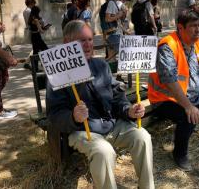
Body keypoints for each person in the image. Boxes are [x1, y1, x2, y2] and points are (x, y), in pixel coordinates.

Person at [46, 20, 154, 189]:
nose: (88, 45)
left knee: (143, 137)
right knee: (104, 151)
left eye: (90, 39)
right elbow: (54, 115)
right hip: (82, 130)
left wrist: (128, 110)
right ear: (67, 43)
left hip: (111, 123)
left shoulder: (100, 65)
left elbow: (117, 96)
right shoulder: (58, 76)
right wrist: (73, 117)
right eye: (82, 40)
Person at [148, 10, 199, 171]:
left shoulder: (198, 43)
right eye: (193, 26)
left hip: (193, 95)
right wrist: (188, 106)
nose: (198, 30)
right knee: (189, 116)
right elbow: (170, 80)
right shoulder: (168, 46)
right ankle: (180, 154)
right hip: (166, 100)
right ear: (180, 27)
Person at [105, 0, 126, 82]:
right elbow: (107, 19)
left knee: (112, 57)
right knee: (123, 55)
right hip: (114, 34)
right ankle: (117, 76)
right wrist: (119, 15)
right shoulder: (111, 3)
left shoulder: (111, 2)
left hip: (111, 34)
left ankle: (110, 78)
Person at [28, 5, 49, 72]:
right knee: (45, 50)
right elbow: (41, 31)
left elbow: (37, 27)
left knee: (36, 52)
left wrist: (42, 24)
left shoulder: (31, 18)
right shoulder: (36, 20)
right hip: (37, 36)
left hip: (33, 36)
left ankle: (36, 68)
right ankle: (44, 65)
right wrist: (46, 28)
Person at [22, 0, 36, 70]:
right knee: (35, 48)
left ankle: (27, 63)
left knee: (35, 47)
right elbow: (33, 21)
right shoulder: (29, 11)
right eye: (33, 3)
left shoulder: (25, 11)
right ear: (31, 3)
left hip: (29, 29)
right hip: (32, 30)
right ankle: (27, 63)